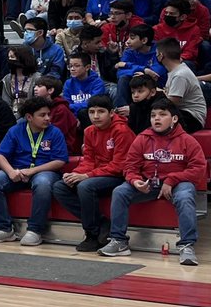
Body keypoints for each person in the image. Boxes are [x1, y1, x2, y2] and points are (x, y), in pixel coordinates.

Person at [102, 97, 204, 266]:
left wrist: (172, 180)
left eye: (162, 115)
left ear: (174, 119)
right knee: (120, 191)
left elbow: (199, 169)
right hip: (149, 183)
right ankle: (118, 241)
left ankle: (186, 245)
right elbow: (130, 167)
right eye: (153, 115)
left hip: (177, 184)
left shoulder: (187, 140)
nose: (156, 118)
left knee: (185, 196)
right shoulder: (142, 138)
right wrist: (135, 181)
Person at [50, 94, 133, 251]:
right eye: (91, 112)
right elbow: (88, 160)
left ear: (111, 113)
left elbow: (119, 165)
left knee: (85, 186)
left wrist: (86, 175)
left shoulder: (122, 131)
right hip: (97, 174)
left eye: (101, 111)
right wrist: (74, 174)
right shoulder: (89, 131)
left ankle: (91, 234)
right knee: (60, 186)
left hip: (119, 176)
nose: (95, 116)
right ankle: (102, 223)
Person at [0, 96, 69, 245]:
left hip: (45, 172)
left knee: (42, 183)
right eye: (42, 115)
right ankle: (5, 229)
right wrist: (10, 171)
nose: (47, 118)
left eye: (49, 114)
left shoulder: (55, 132)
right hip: (18, 171)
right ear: (29, 117)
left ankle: (35, 230)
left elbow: (59, 161)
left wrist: (32, 171)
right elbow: (0, 155)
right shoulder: (16, 130)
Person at [156, 37, 207, 133]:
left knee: (153, 115)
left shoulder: (180, 75)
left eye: (156, 53)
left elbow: (172, 102)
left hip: (192, 117)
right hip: (182, 112)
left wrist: (155, 94)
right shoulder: (175, 71)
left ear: (161, 55)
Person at [34, 75, 80, 154]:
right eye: (35, 86)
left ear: (50, 90)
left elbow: (57, 134)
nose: (35, 88)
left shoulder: (61, 109)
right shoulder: (39, 106)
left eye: (39, 86)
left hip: (60, 148)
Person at [61, 52, 106, 129]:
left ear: (87, 67)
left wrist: (72, 107)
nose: (72, 69)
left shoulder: (97, 83)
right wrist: (74, 117)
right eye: (70, 66)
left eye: (77, 66)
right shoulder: (68, 83)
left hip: (91, 115)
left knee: (83, 112)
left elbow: (92, 103)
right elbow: (66, 104)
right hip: (73, 115)